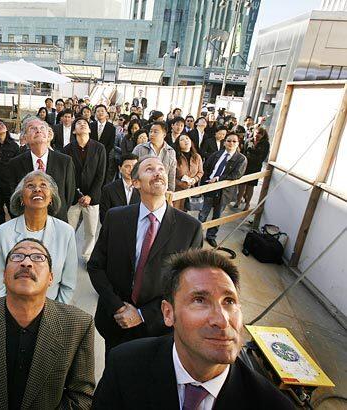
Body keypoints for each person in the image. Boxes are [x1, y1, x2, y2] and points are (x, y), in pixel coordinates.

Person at [93, 249, 295, 409]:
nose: (222, 320)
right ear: (168, 313)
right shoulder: (124, 366)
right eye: (200, 300)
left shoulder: (272, 404)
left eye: (229, 301)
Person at [0, 238, 95, 409]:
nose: (26, 263)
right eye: (17, 256)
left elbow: (81, 396)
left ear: (51, 278)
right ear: (4, 276)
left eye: (38, 257)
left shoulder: (78, 324)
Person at [88, 156, 203, 353]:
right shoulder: (116, 218)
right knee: (115, 376)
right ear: (135, 182)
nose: (158, 172)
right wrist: (118, 307)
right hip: (115, 322)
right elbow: (96, 266)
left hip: (158, 329)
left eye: (161, 169)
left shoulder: (190, 228)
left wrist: (143, 315)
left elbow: (188, 286)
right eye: (149, 169)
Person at [0, 171, 77, 303]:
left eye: (43, 185)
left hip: (52, 310)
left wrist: (55, 313)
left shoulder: (66, 232)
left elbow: (68, 284)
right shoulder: (2, 232)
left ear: (51, 198)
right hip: (13, 310)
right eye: (30, 186)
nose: (37, 189)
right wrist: (12, 312)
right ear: (21, 198)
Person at [8, 116, 75, 222]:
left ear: (48, 135)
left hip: (57, 221)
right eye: (32, 128)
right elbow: (13, 196)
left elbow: (69, 195)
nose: (38, 130)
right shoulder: (15, 164)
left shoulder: (65, 161)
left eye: (42, 128)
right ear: (25, 138)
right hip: (27, 221)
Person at [64, 117, 107, 262]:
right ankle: (66, 256)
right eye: (78, 124)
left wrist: (90, 195)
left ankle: (88, 256)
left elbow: (101, 174)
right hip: (73, 196)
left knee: (91, 231)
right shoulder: (67, 149)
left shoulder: (99, 148)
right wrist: (77, 194)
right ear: (74, 130)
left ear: (89, 129)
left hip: (92, 198)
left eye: (85, 124)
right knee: (69, 229)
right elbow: (67, 175)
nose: (82, 125)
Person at [198, 132, 247, 248]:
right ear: (224, 142)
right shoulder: (216, 154)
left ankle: (211, 236)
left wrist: (219, 179)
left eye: (234, 141)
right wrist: (206, 181)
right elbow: (206, 168)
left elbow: (237, 174)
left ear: (238, 144)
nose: (231, 143)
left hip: (224, 191)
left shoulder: (241, 159)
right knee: (203, 213)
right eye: (228, 141)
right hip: (210, 188)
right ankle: (197, 235)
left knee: (217, 215)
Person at [132, 121, 177, 191]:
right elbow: (132, 169)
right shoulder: (139, 148)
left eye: (155, 132)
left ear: (164, 134)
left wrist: (171, 191)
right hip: (142, 189)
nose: (152, 134)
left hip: (161, 189)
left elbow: (171, 175)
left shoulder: (170, 151)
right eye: (150, 131)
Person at [235, 127, 270, 211]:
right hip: (245, 165)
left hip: (255, 167)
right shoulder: (248, 140)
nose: (257, 135)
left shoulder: (265, 144)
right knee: (241, 184)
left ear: (263, 135)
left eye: (260, 134)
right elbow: (243, 152)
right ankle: (238, 201)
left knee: (250, 186)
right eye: (256, 133)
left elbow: (262, 157)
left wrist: (252, 152)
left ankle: (247, 203)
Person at [99, 153, 140, 224]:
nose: (131, 170)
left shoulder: (143, 189)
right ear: (120, 169)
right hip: (115, 229)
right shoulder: (108, 189)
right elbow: (104, 218)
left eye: (134, 166)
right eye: (127, 166)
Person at [174, 134, 203, 211]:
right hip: (177, 190)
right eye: (182, 140)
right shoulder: (174, 157)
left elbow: (200, 172)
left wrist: (194, 179)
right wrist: (180, 183)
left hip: (191, 190)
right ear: (178, 144)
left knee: (187, 213)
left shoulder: (197, 157)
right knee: (176, 211)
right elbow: (170, 175)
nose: (185, 140)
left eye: (187, 138)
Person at [90, 104, 117, 184]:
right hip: (92, 155)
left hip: (105, 155)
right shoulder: (91, 125)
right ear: (95, 114)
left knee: (103, 176)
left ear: (106, 113)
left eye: (102, 111)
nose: (100, 113)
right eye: (98, 111)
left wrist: (102, 153)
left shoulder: (111, 127)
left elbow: (111, 144)